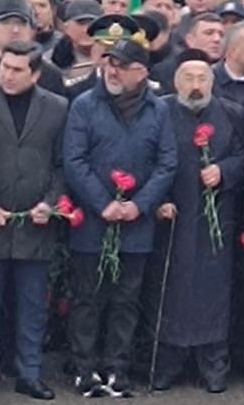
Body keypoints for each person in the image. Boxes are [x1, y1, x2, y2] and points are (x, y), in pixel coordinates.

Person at [63, 35, 177, 397]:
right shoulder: (84, 105)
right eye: (110, 62)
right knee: (88, 297)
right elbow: (74, 160)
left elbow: (166, 162)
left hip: (136, 223)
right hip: (93, 220)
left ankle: (117, 368)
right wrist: (103, 203)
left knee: (127, 299)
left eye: (122, 65)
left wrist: (139, 204)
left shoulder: (158, 110)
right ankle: (85, 368)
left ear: (141, 72)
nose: (112, 70)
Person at [0, 41, 68, 401]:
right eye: (4, 67)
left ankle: (29, 373)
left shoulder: (57, 108)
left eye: (17, 70)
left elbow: (62, 165)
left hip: (34, 223)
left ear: (35, 74)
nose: (8, 75)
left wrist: (50, 203)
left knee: (32, 305)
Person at [153, 50, 244, 393]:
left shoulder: (231, 113)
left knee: (213, 291)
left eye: (203, 78)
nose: (196, 85)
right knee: (172, 291)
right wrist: (158, 200)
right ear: (175, 81)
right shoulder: (160, 111)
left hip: (215, 218)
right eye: (189, 78)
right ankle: (169, 363)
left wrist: (223, 171)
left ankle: (214, 364)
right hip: (173, 217)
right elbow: (147, 158)